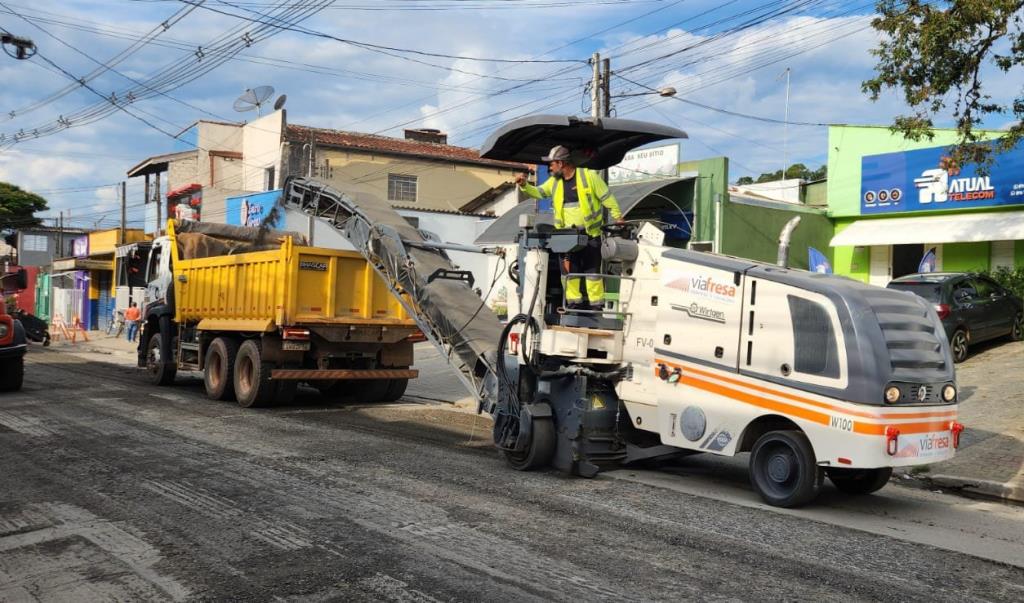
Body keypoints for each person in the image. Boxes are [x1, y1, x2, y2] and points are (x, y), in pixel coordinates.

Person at [515, 145, 622, 311]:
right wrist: (524, 186)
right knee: (570, 273)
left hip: (590, 236)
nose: (549, 167)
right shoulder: (555, 182)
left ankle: (595, 306)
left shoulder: (588, 177)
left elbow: (607, 197)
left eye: (551, 164)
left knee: (592, 273)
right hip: (566, 239)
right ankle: (573, 305)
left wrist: (618, 217)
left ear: (561, 163)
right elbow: (539, 192)